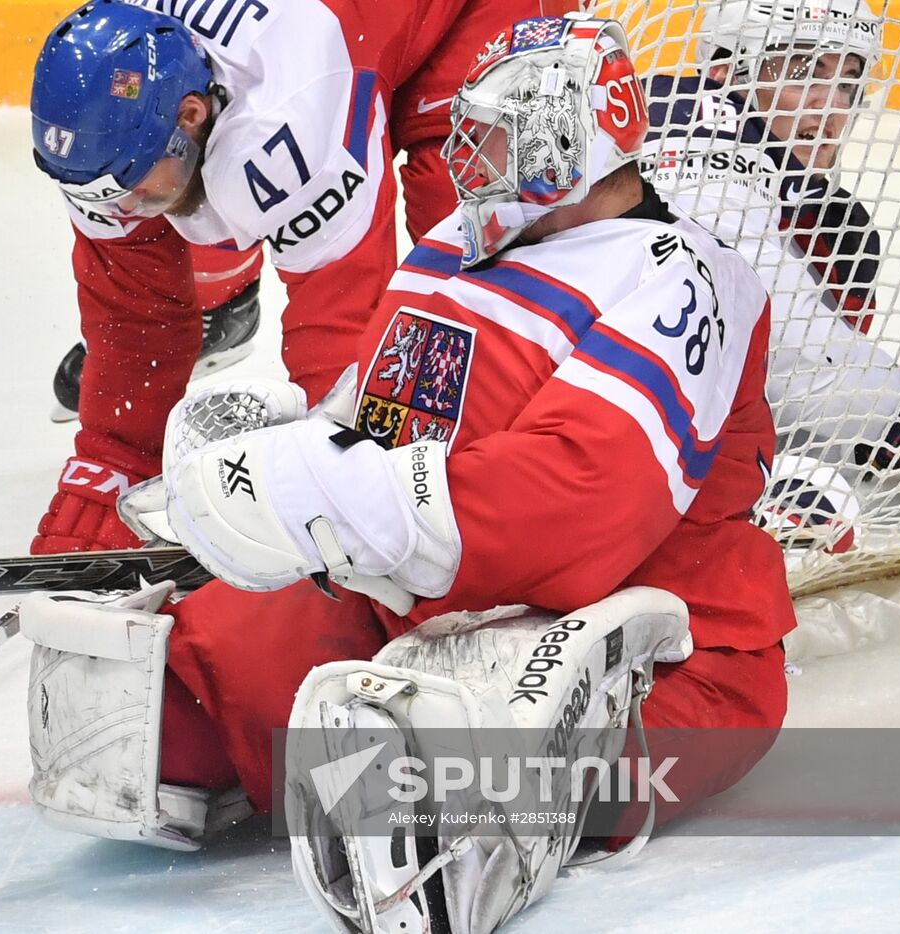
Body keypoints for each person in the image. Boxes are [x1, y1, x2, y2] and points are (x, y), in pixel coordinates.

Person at [18, 13, 794, 932]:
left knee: (468, 766)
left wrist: (330, 491)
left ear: (579, 138)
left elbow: (573, 507)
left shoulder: (683, 278)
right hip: (421, 589)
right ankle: (387, 730)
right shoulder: (454, 248)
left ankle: (491, 796)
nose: (475, 156)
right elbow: (374, 413)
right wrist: (269, 459)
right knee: (162, 708)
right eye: (475, 129)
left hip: (643, 622)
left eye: (506, 132)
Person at [27, 0, 542, 554]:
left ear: (192, 114)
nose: (123, 205)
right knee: (183, 219)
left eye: (131, 182)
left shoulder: (285, 115)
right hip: (331, 47)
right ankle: (225, 294)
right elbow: (136, 309)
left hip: (467, 16)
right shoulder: (115, 121)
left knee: (473, 237)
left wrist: (335, 475)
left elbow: (342, 323)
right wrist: (115, 457)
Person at [640, 0, 900, 551]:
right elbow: (790, 354)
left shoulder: (836, 227)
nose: (828, 106)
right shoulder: (682, 118)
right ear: (723, 68)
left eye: (846, 81)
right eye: (800, 72)